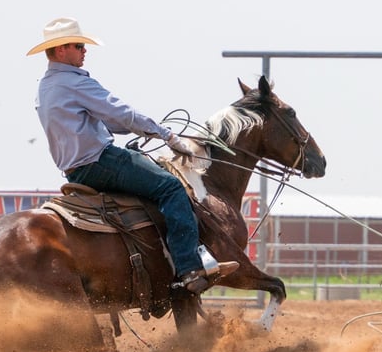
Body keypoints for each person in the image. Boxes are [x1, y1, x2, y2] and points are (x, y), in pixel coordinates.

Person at [26, 17, 238, 295]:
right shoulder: (74, 82)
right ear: (61, 49)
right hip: (101, 161)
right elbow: (121, 113)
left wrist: (140, 129)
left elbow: (110, 120)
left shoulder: (47, 86)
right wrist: (167, 136)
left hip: (75, 171)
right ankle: (189, 268)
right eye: (78, 45)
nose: (84, 50)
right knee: (171, 188)